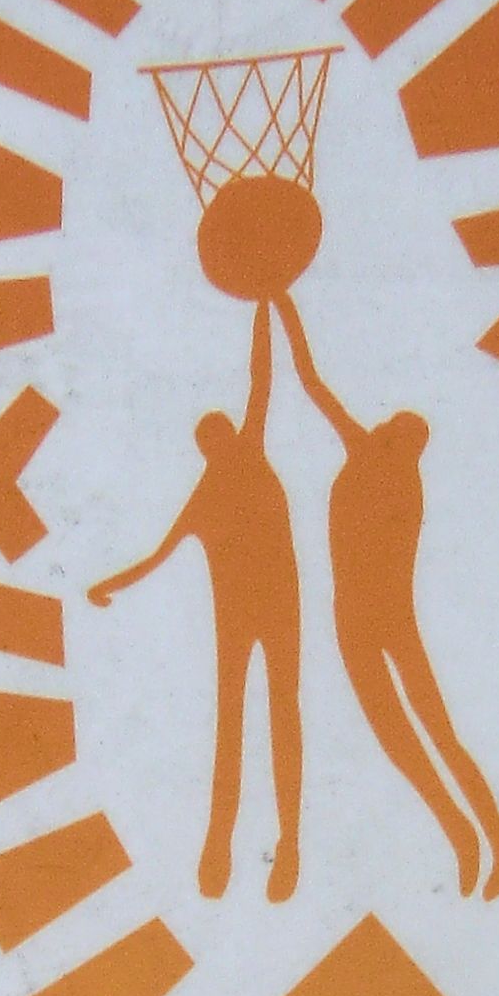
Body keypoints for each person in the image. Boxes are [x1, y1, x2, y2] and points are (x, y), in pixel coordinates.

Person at [275, 294, 499, 901]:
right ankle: (465, 833)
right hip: (358, 620)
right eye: (390, 429)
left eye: (395, 433)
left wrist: (281, 300)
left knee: (431, 730)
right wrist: (281, 301)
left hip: (384, 620)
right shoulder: (374, 459)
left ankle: (495, 831)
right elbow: (312, 384)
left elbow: (315, 387)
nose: (384, 430)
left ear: (402, 446)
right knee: (400, 738)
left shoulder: (387, 473)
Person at [88, 306, 302, 902]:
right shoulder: (223, 478)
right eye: (217, 437)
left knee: (272, 717)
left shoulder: (237, 463)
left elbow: (262, 380)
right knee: (249, 721)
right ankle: (225, 845)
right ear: (213, 445)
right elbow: (156, 557)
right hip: (252, 617)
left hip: (273, 612)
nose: (224, 440)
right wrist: (107, 585)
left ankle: (279, 845)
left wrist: (264, 305)